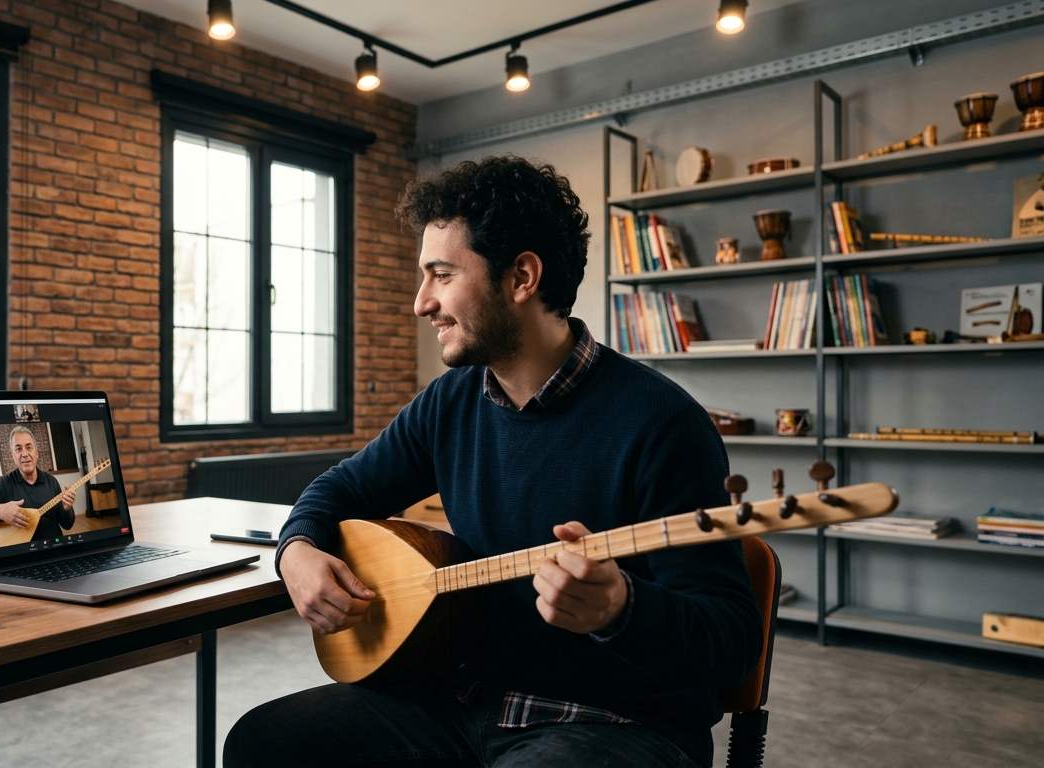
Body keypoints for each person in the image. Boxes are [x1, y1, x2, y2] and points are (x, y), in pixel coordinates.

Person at [223, 156, 761, 768]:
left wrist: (621, 609)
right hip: (465, 700)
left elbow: (731, 640)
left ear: (522, 277)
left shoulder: (662, 423)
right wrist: (295, 549)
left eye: (441, 275)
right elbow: (340, 489)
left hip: (620, 721)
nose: (421, 302)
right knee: (262, 744)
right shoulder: (450, 403)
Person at [0, 425, 77, 543]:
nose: (24, 454)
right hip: (24, 555)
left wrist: (67, 509)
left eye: (29, 447)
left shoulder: (51, 481)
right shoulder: (4, 484)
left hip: (54, 548)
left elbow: (67, 525)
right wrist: (0, 511)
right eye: (18, 449)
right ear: (13, 456)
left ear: (36, 453)